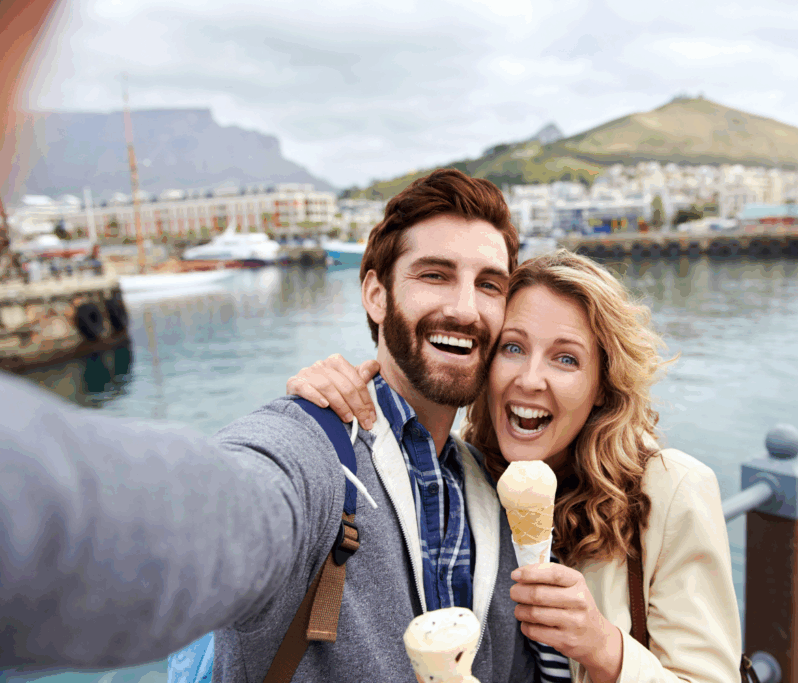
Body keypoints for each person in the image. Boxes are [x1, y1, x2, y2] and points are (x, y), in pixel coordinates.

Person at [1, 169, 539, 683]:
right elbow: (220, 509)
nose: (465, 308)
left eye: (489, 285)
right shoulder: (315, 450)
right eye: (435, 275)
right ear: (375, 294)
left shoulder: (490, 487)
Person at [287, 249, 744, 683]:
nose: (529, 379)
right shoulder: (462, 476)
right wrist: (327, 400)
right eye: (512, 348)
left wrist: (603, 646)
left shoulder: (669, 491)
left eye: (566, 358)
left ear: (602, 384)